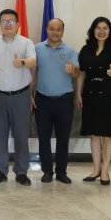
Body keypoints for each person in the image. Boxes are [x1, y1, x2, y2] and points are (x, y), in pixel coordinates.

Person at [0, 9, 36, 186]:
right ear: (0, 24)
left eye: (11, 21)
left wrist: (22, 62)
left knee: (21, 135)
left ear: (18, 24)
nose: (7, 24)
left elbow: (33, 62)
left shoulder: (26, 42)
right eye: (4, 21)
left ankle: (21, 171)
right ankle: (0, 171)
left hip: (20, 95)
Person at [30, 18, 79, 184]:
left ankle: (61, 172)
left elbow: (77, 74)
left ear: (63, 31)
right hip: (42, 100)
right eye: (52, 29)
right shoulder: (37, 49)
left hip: (64, 101)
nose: (55, 32)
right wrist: (30, 95)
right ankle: (47, 171)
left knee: (63, 138)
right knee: (43, 138)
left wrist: (72, 70)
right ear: (47, 30)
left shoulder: (70, 51)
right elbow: (32, 74)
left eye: (58, 29)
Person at [77, 16, 111, 186]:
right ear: (93, 30)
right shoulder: (86, 49)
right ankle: (96, 169)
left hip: (108, 93)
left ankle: (105, 171)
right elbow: (81, 72)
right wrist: (78, 93)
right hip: (90, 92)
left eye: (105, 28)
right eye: (98, 28)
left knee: (107, 134)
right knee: (95, 134)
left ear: (109, 31)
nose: (101, 31)